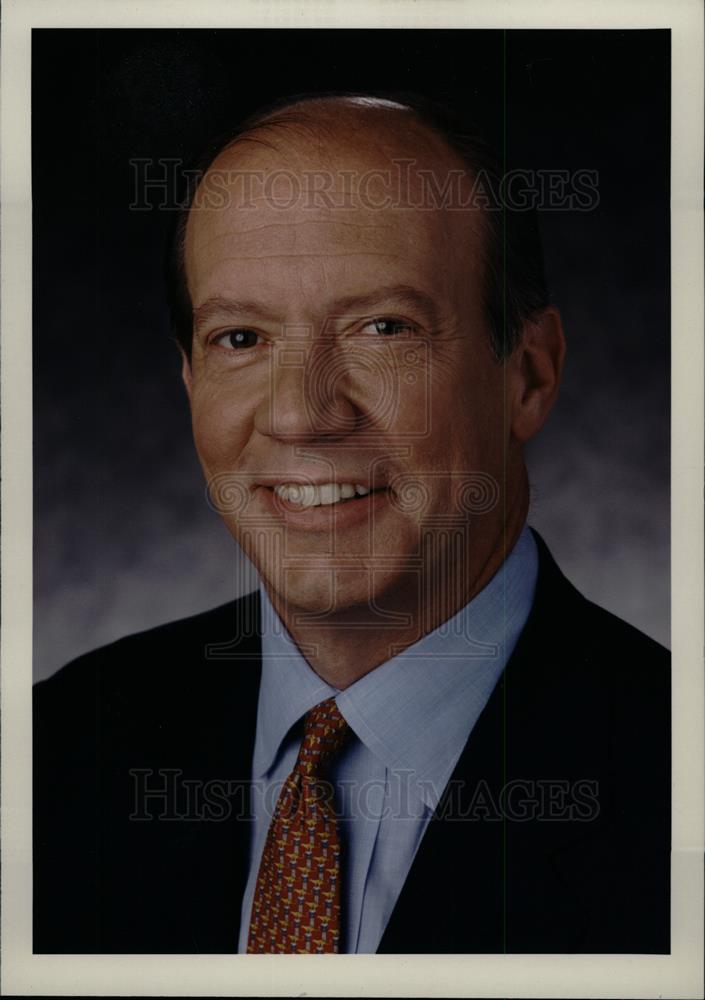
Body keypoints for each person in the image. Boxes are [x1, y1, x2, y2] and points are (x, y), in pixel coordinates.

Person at [33, 92, 670, 955]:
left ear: (527, 375)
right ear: (189, 380)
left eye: (382, 328)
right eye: (241, 338)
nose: (300, 415)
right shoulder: (62, 746)